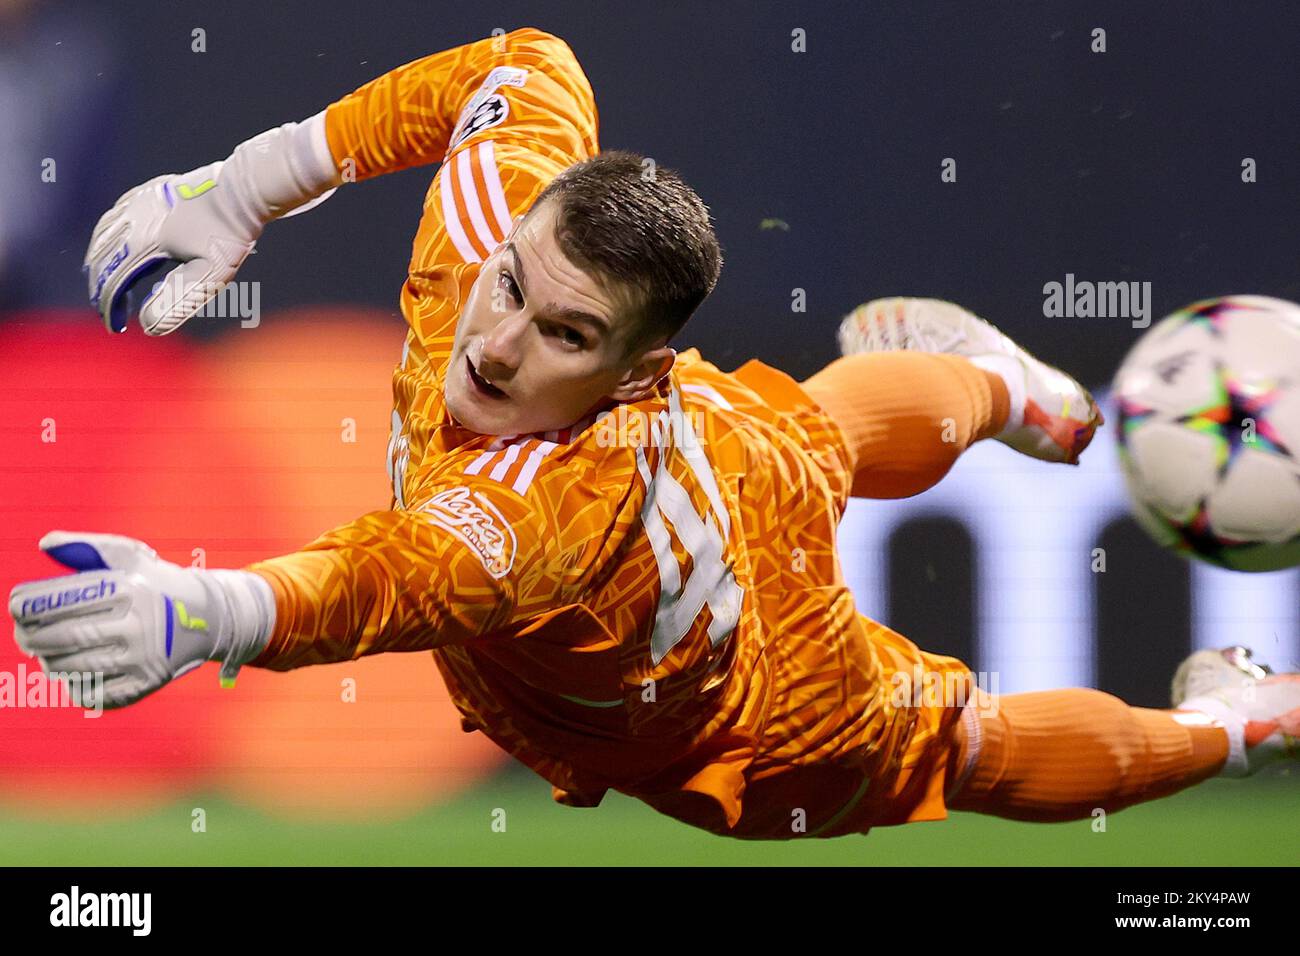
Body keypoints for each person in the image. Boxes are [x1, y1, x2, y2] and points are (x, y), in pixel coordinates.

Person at [12, 28, 1297, 840]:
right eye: (516, 284)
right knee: (811, 427)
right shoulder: (493, 229)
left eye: (568, 336)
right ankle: (1028, 397)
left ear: (638, 370)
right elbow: (526, 66)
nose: (501, 342)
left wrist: (204, 611)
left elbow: (382, 580)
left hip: (749, 705)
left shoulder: (544, 508)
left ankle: (1232, 725)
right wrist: (244, 186)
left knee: (968, 744)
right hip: (722, 460)